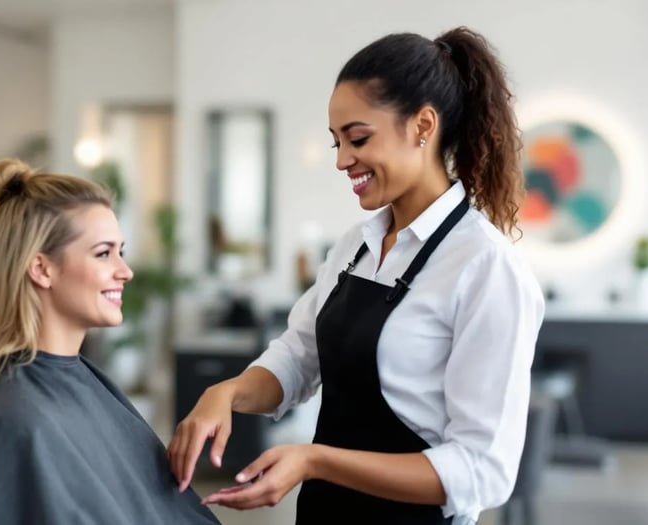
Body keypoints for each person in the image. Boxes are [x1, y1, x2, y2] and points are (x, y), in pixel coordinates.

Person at [167, 26, 545, 525]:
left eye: (359, 138)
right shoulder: (355, 246)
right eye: (337, 143)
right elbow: (297, 358)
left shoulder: (485, 266)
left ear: (422, 126)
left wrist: (315, 459)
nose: (344, 160)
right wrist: (227, 393)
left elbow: (482, 471)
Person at [0, 159, 221, 525]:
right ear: (42, 269)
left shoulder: (80, 383)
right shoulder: (21, 421)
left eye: (121, 251)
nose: (125, 271)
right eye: (103, 253)